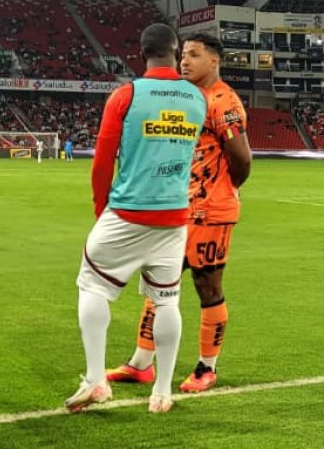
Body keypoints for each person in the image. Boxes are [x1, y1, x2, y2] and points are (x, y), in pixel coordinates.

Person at [66, 24, 206, 414]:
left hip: (128, 212)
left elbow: (102, 161)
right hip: (174, 217)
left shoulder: (125, 95)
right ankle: (161, 393)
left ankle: (95, 380)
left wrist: (100, 211)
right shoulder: (197, 99)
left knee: (92, 284)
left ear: (141, 51)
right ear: (176, 52)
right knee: (167, 300)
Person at [107, 32, 251, 394]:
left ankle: (207, 367)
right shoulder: (188, 98)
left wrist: (222, 190)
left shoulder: (224, 101)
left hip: (211, 211)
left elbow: (242, 159)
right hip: (178, 208)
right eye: (183, 55)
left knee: (207, 285)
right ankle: (141, 364)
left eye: (194, 55)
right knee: (160, 281)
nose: (185, 61)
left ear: (214, 61)